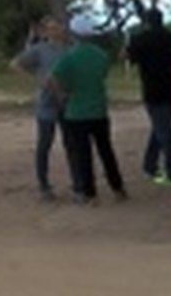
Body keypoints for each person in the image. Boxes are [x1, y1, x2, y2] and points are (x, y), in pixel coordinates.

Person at [50, 15, 127, 205]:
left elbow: (53, 79)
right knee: (106, 150)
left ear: (74, 33)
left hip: (76, 111)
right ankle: (117, 188)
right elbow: (103, 75)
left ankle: (90, 194)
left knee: (83, 154)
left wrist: (62, 95)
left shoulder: (69, 57)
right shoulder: (101, 55)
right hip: (98, 109)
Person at [9, 15, 72, 201]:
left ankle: (78, 182)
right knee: (45, 144)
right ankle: (44, 185)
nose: (55, 31)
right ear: (44, 32)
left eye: (58, 27)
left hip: (68, 101)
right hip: (46, 103)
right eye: (50, 28)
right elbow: (14, 64)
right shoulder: (39, 50)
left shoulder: (69, 49)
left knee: (72, 143)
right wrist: (37, 78)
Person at [126, 8, 171, 185]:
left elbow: (129, 59)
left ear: (146, 22)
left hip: (152, 90)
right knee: (160, 127)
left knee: (164, 132)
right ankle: (150, 163)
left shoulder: (140, 40)